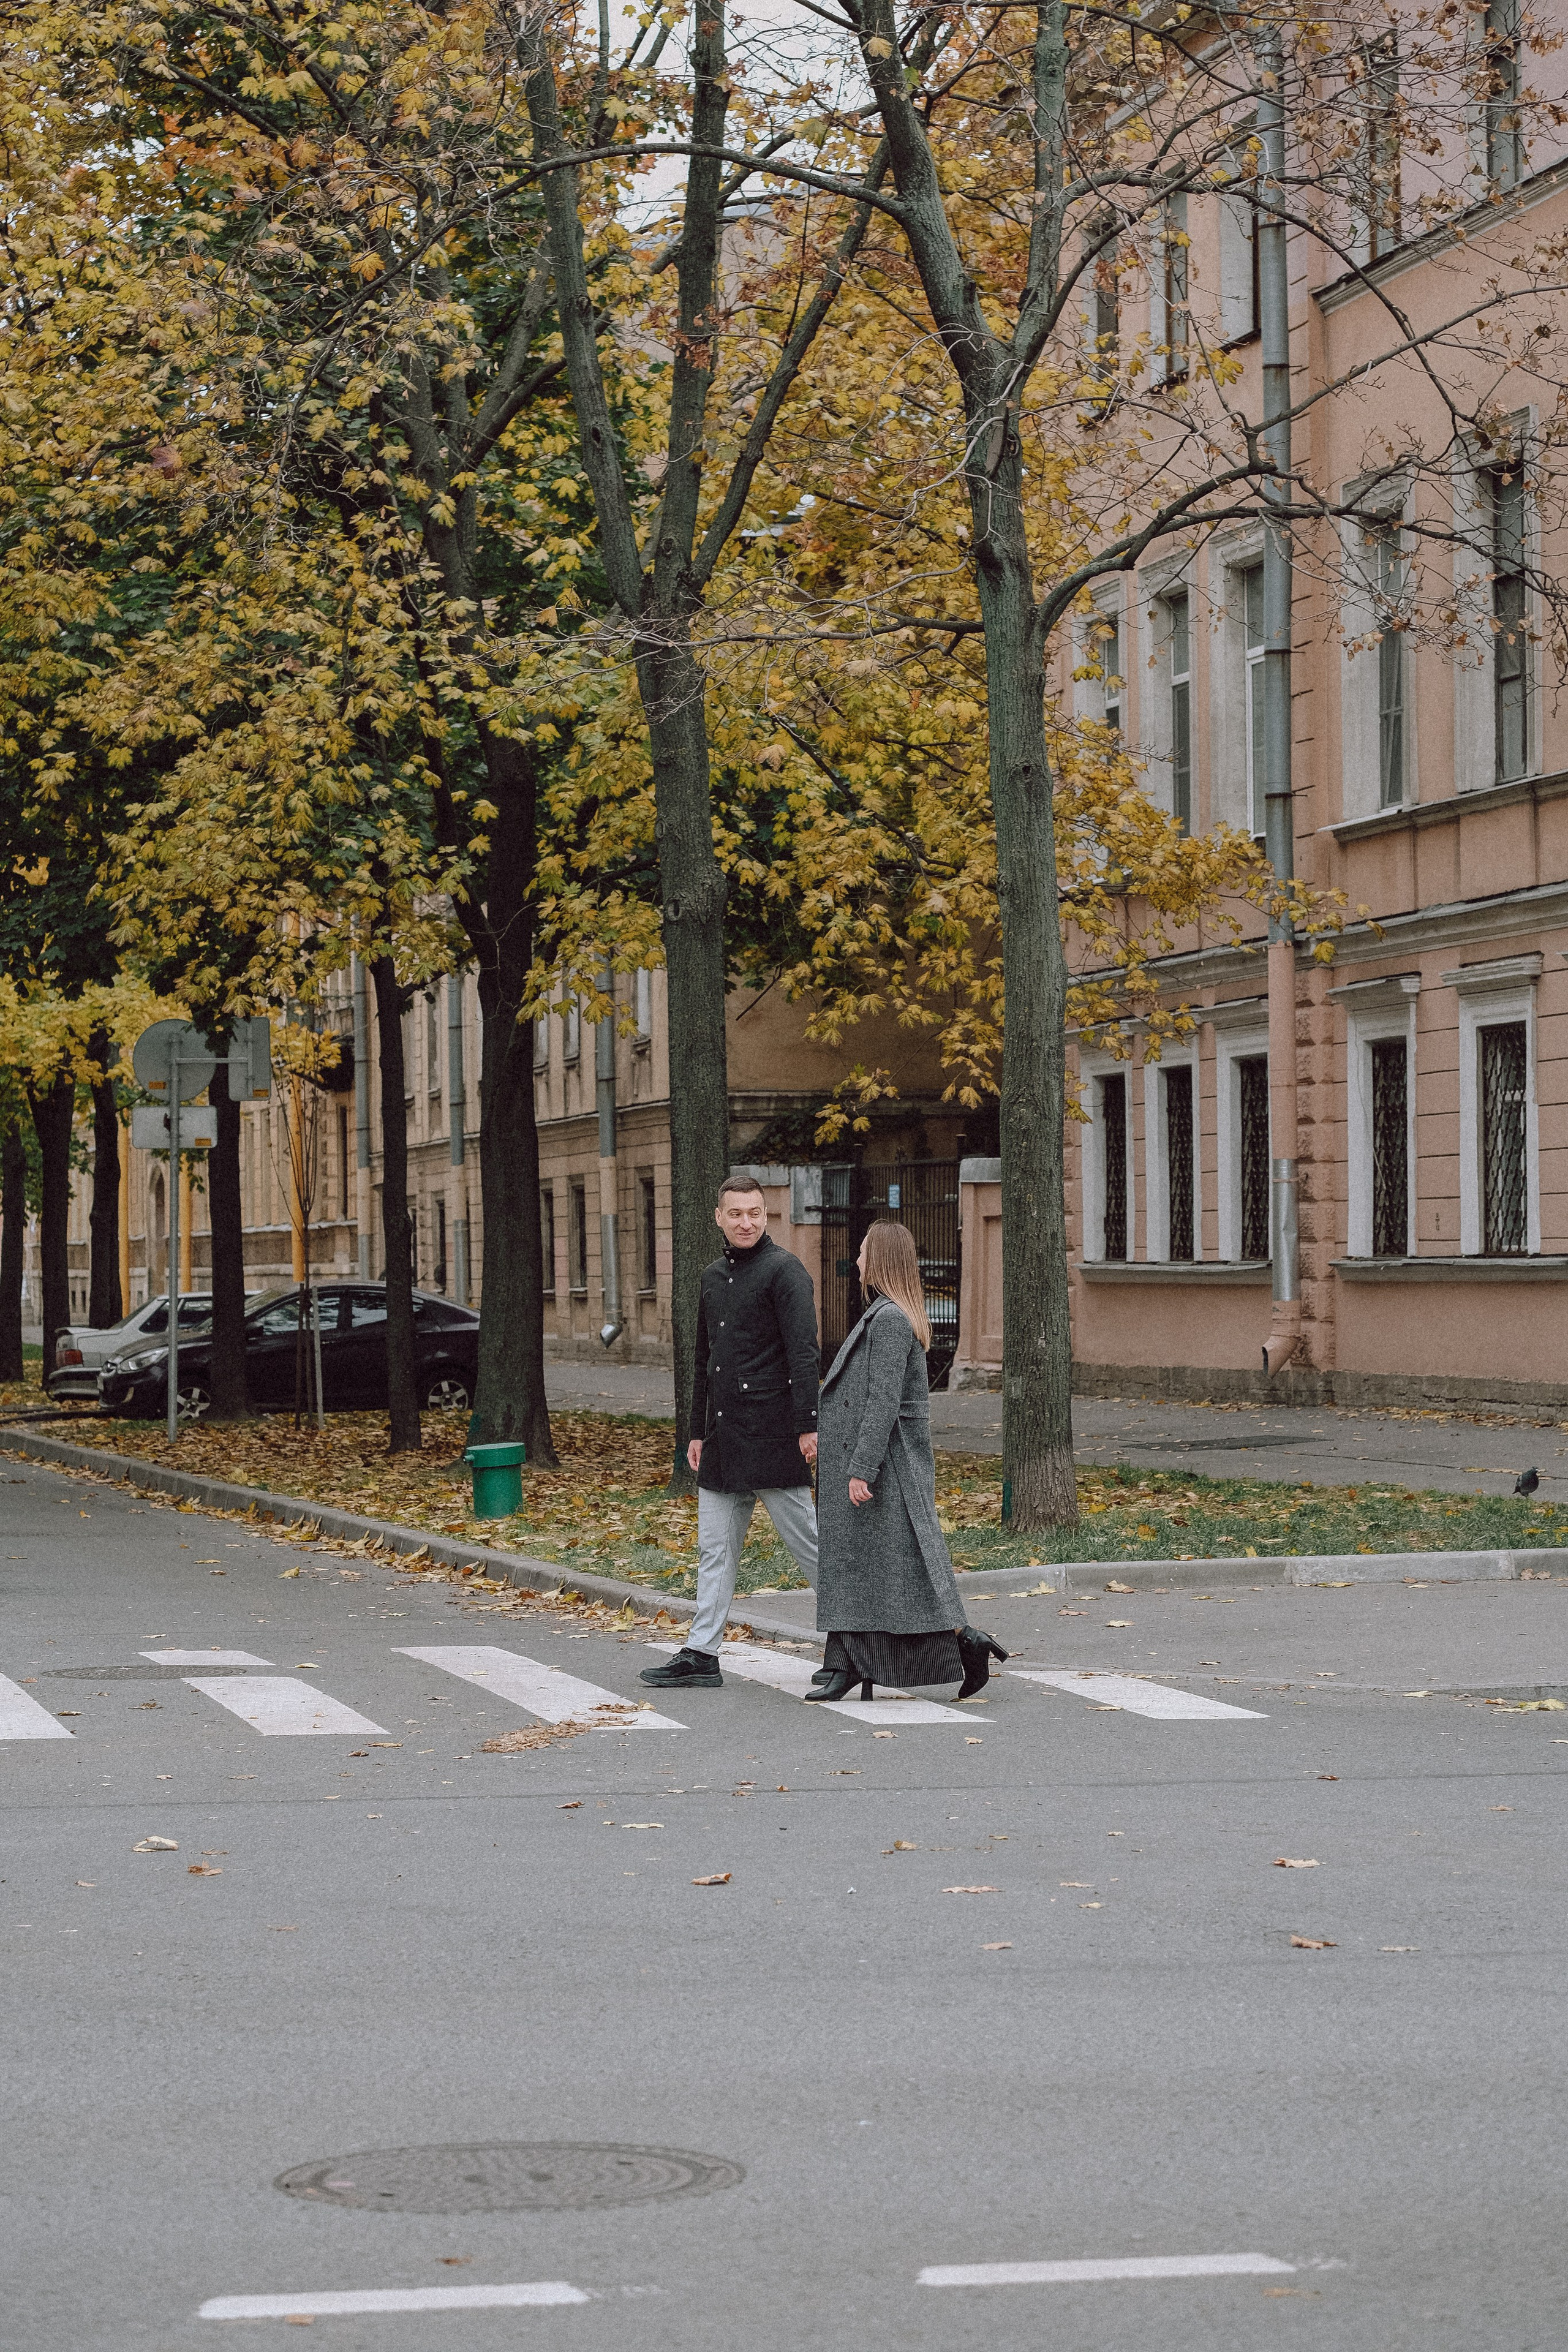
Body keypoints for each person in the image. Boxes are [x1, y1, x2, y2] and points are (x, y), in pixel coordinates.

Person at [809, 1219, 1006, 1705]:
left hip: (887, 1466)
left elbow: (883, 1402)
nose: (855, 1261)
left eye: (861, 1252)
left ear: (877, 1261)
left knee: (896, 1569)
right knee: (865, 1567)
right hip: (879, 1462)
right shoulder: (883, 1314)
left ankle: (964, 1642)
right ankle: (847, 1662)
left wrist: (861, 1467)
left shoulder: (892, 1320)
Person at [641, 1175, 821, 1689]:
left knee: (809, 1546)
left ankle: (858, 1638)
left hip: (771, 1435)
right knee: (715, 1550)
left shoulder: (786, 1272)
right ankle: (702, 1653)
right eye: (736, 1213)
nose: (746, 1222)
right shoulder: (711, 1278)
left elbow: (804, 1355)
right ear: (718, 1217)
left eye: (755, 1213)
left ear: (767, 1216)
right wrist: (696, 1431)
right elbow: (704, 1360)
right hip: (721, 1439)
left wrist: (808, 1425)